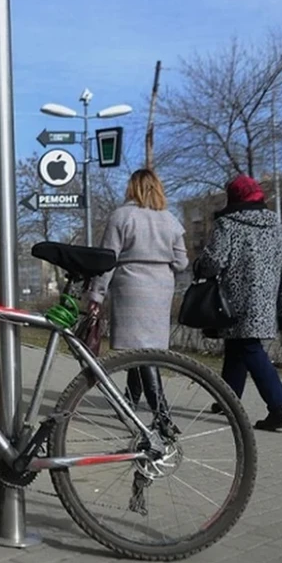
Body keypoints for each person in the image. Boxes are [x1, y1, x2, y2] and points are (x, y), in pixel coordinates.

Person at [194, 174, 282, 431]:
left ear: (233, 197)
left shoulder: (227, 224)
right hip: (265, 301)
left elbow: (213, 262)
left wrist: (199, 266)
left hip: (234, 300)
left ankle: (279, 408)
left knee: (250, 349)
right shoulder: (277, 226)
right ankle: (227, 399)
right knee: (237, 348)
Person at [87, 168, 189, 411]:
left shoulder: (121, 216)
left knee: (138, 348)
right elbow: (182, 262)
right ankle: (130, 401)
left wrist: (96, 294)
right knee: (146, 347)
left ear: (132, 187)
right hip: (161, 287)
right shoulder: (170, 220)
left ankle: (160, 409)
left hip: (130, 286)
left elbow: (107, 260)